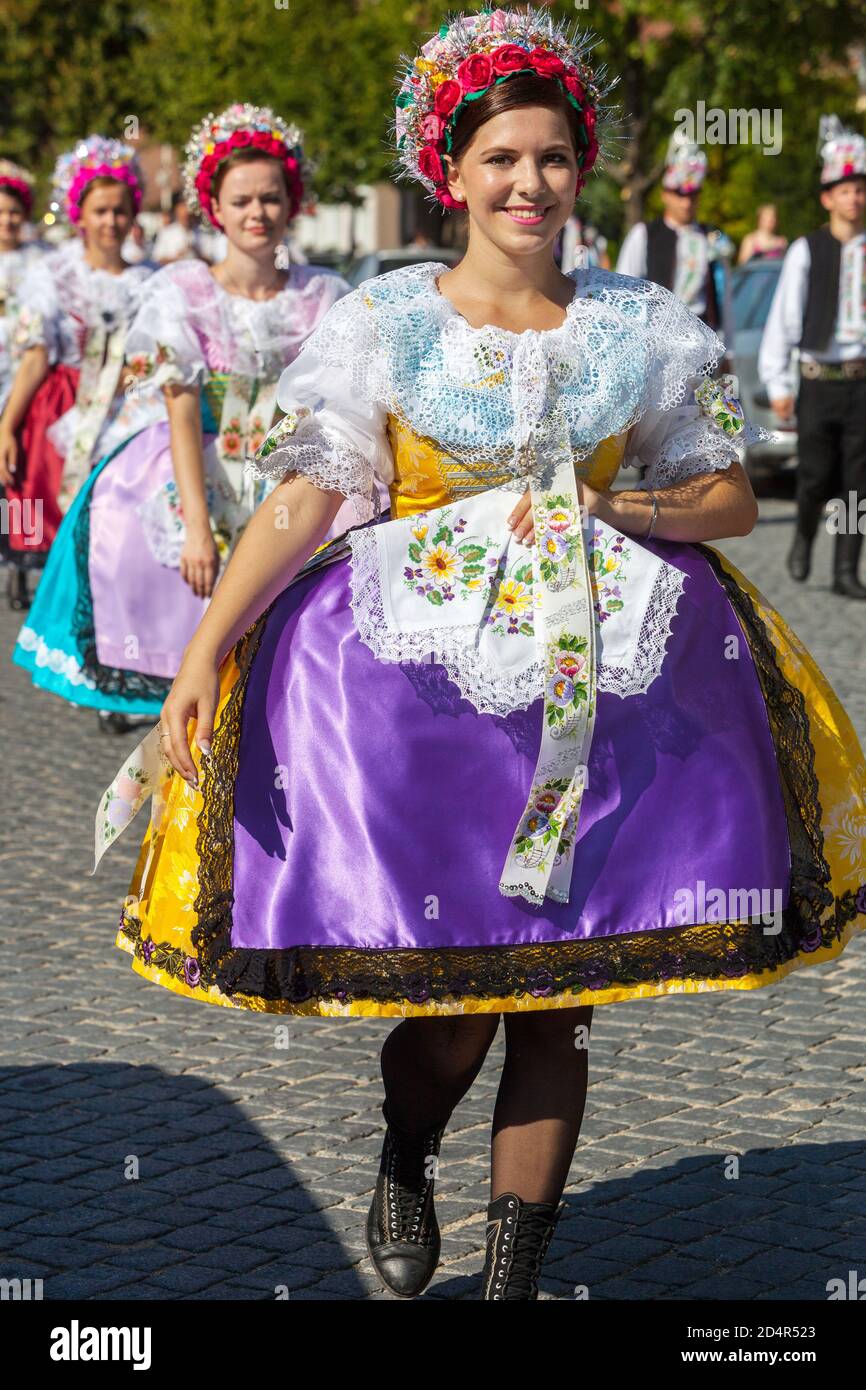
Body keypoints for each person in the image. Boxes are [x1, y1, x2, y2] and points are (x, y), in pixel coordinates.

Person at [93, 7, 866, 1302]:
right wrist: (202, 653)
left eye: (553, 157)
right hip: (419, 704)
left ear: (583, 168)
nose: (529, 183)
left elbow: (730, 494)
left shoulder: (654, 321)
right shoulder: (380, 322)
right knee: (453, 1003)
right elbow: (303, 493)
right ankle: (406, 1151)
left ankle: (510, 1284)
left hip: (618, 690)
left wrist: (615, 506)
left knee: (556, 1001)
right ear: (449, 173)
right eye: (501, 158)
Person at [12, 104, 353, 733]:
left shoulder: (324, 295)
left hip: (288, 475)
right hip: (203, 466)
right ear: (215, 208)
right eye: (243, 199)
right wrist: (197, 525)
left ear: (291, 202)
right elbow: (178, 407)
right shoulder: (182, 291)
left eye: (272, 198)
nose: (258, 213)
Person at [0, 137, 159, 611]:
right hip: (59, 409)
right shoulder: (51, 274)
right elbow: (34, 356)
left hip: (126, 412)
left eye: (120, 211)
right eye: (100, 211)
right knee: (44, 516)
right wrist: (7, 425)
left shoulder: (150, 281)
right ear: (80, 215)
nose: (111, 221)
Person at [758, 116, 866, 599]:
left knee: (858, 482)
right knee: (817, 473)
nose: (854, 198)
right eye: (844, 190)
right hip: (818, 380)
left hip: (861, 380)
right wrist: (778, 384)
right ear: (827, 197)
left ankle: (846, 568)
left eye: (860, 189)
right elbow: (783, 319)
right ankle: (803, 535)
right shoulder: (807, 249)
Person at [617, 131, 735, 358]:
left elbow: (725, 301)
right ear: (665, 194)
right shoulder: (644, 235)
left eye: (693, 194)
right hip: (657, 350)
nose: (686, 202)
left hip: (705, 350)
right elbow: (625, 295)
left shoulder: (712, 238)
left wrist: (729, 354)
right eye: (679, 193)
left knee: (715, 395)